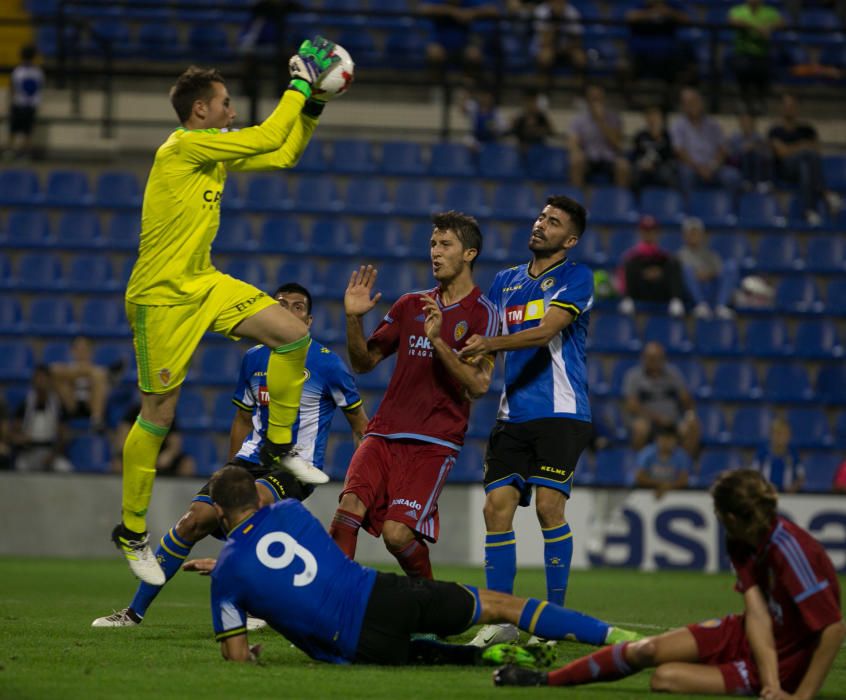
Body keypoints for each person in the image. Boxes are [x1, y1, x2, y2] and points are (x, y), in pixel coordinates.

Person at [114, 37, 340, 585]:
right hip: (162, 296)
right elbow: (266, 135)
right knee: (158, 413)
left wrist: (312, 105)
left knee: (291, 335)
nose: (231, 113)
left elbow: (282, 152)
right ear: (200, 110)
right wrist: (299, 83)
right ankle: (131, 529)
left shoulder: (209, 150)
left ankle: (280, 446)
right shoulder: (183, 148)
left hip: (203, 281)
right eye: (225, 104)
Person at [92, 282, 368, 627]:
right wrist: (228, 470)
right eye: (279, 303)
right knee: (192, 521)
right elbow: (241, 417)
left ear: (308, 321)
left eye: (297, 307)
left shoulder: (327, 364)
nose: (286, 310)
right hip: (249, 460)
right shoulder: (253, 358)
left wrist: (361, 484)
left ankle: (257, 607)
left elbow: (360, 425)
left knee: (253, 509)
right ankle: (133, 614)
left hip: (295, 466)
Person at [183, 465, 641, 665]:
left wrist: (225, 565)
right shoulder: (289, 512)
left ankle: (485, 658)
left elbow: (237, 655)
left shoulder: (227, 573)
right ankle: (617, 639)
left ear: (220, 514)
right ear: (257, 496)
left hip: (355, 650)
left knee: (428, 656)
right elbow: (302, 558)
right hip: (381, 598)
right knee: (500, 605)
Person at [494, 468, 845, 697]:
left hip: (787, 662)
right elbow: (757, 614)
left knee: (664, 679)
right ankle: (545, 680)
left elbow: (831, 628)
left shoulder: (790, 550)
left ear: (734, 517)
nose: (719, 522)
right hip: (746, 635)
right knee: (647, 650)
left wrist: (796, 693)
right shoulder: (741, 540)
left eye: (721, 516)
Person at [457, 195, 594, 648]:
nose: (541, 225)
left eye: (553, 222)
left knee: (548, 508)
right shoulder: (505, 282)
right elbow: (489, 354)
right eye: (540, 217)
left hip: (560, 412)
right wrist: (473, 378)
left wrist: (488, 343)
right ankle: (502, 617)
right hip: (511, 416)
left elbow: (543, 333)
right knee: (495, 509)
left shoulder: (576, 277)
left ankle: (553, 621)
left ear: (569, 240)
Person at [329, 212, 497, 580]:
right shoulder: (410, 304)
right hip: (383, 431)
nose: (435, 252)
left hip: (433, 441)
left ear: (469, 253)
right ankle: (331, 607)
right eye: (433, 244)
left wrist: (438, 341)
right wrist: (353, 319)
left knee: (397, 534)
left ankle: (428, 601)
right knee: (348, 509)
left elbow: (478, 385)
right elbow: (364, 362)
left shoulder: (484, 314)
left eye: (445, 245)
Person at [768, 93, 841, 226]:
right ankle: (826, 192)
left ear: (797, 108)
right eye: (786, 106)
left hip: (804, 172)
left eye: (792, 106)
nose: (789, 108)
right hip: (785, 171)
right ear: (781, 108)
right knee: (806, 156)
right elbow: (782, 153)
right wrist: (802, 146)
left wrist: (794, 148)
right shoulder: (775, 131)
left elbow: (817, 152)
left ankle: (809, 211)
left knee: (805, 167)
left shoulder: (807, 129)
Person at [622, 342, 700, 457]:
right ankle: (641, 466)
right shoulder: (633, 376)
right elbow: (632, 405)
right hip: (646, 420)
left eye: (658, 358)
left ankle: (684, 466)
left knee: (692, 426)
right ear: (643, 358)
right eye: (650, 358)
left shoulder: (673, 373)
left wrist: (690, 414)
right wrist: (657, 418)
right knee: (640, 428)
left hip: (672, 420)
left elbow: (685, 398)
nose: (654, 362)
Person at [669, 88, 741, 201]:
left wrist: (712, 167)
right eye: (687, 103)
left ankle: (730, 213)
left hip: (713, 168)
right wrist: (699, 168)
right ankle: (689, 214)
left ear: (701, 103)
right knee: (685, 174)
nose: (691, 105)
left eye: (694, 101)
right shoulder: (678, 125)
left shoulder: (713, 125)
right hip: (691, 167)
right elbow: (679, 151)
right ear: (683, 106)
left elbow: (722, 149)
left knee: (732, 176)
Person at [617, 215, 686, 318]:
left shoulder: (664, 255)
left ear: (657, 233)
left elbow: (668, 270)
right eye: (646, 230)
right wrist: (644, 273)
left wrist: (659, 272)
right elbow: (622, 276)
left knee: (674, 263)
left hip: (659, 290)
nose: (649, 234)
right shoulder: (632, 255)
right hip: (641, 291)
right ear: (641, 232)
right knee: (631, 263)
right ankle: (628, 299)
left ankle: (676, 300)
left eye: (651, 230)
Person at [728, 0, 785, 116]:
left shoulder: (769, 11)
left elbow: (782, 23)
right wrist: (756, 27)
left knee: (764, 68)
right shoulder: (738, 10)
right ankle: (743, 100)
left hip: (762, 54)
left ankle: (760, 101)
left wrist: (769, 27)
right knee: (741, 66)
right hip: (742, 53)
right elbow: (732, 21)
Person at [12, 365, 72, 473]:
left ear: (49, 380)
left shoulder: (58, 405)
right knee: (19, 468)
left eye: (43, 377)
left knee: (65, 469)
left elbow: (64, 436)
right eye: (37, 377)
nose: (40, 381)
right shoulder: (25, 404)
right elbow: (15, 432)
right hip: (28, 452)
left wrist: (53, 455)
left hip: (50, 451)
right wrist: (20, 438)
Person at [569, 85, 630, 188]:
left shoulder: (614, 119)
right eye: (592, 98)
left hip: (609, 158)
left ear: (603, 99)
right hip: (588, 157)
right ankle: (576, 199)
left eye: (598, 98)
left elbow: (617, 144)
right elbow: (573, 143)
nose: (595, 101)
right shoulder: (579, 120)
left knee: (623, 166)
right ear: (587, 100)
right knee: (576, 160)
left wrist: (601, 121)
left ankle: (619, 199)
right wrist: (577, 151)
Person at [677, 216, 738, 320]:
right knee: (686, 270)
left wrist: (709, 274)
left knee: (731, 265)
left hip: (711, 289)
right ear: (685, 236)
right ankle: (700, 305)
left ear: (701, 235)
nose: (694, 236)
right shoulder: (680, 255)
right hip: (694, 292)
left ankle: (721, 306)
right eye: (691, 233)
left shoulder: (710, 254)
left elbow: (720, 271)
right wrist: (696, 274)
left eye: (696, 233)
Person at [49, 336, 110, 432]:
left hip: (90, 405)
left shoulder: (97, 372)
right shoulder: (66, 369)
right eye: (78, 349)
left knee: (99, 377)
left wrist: (84, 371)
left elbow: (101, 374)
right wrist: (81, 371)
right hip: (70, 404)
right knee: (59, 380)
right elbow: (51, 370)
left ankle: (96, 420)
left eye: (85, 349)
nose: (81, 353)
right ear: (72, 351)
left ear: (91, 352)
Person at [530, 0, 587, 92]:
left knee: (580, 57)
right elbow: (544, 41)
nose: (558, 4)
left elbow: (577, 41)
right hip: (546, 47)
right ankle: (543, 93)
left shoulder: (572, 12)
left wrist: (566, 48)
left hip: (567, 48)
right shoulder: (541, 11)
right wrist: (556, 21)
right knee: (545, 56)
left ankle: (579, 95)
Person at [5, 44, 44, 159]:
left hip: (19, 103)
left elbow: (12, 88)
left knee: (15, 129)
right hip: (30, 105)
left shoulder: (18, 71)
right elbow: (39, 87)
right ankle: (24, 152)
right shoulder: (38, 72)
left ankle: (11, 151)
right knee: (27, 130)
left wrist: (10, 102)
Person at [630, 106, 677, 195]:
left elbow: (669, 156)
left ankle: (671, 201)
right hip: (644, 167)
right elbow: (636, 155)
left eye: (655, 116)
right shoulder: (640, 135)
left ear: (660, 119)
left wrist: (658, 138)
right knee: (635, 174)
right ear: (646, 119)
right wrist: (643, 164)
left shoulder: (667, 135)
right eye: (650, 116)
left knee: (668, 174)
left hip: (661, 166)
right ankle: (636, 204)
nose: (653, 119)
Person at [634, 425, 691, 499]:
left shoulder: (681, 455)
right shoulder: (647, 453)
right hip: (648, 491)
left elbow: (684, 480)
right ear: (657, 439)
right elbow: (639, 477)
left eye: (669, 439)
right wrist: (661, 485)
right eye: (663, 439)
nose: (666, 443)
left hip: (674, 493)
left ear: (676, 440)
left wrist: (666, 487)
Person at [752, 417, 805, 494]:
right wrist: (763, 488)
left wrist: (793, 488)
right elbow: (753, 475)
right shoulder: (762, 453)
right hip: (767, 495)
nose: (781, 437)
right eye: (778, 433)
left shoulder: (793, 454)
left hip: (789, 496)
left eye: (785, 434)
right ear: (771, 435)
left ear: (789, 436)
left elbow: (801, 477)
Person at [728, 113, 773, 193]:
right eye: (744, 122)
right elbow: (730, 154)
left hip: (756, 163)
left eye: (748, 122)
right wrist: (742, 149)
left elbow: (768, 155)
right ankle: (746, 182)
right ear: (740, 123)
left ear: (753, 123)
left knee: (755, 154)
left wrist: (756, 148)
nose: (746, 124)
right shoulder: (735, 138)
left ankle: (760, 183)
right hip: (741, 162)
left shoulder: (759, 138)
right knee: (746, 154)